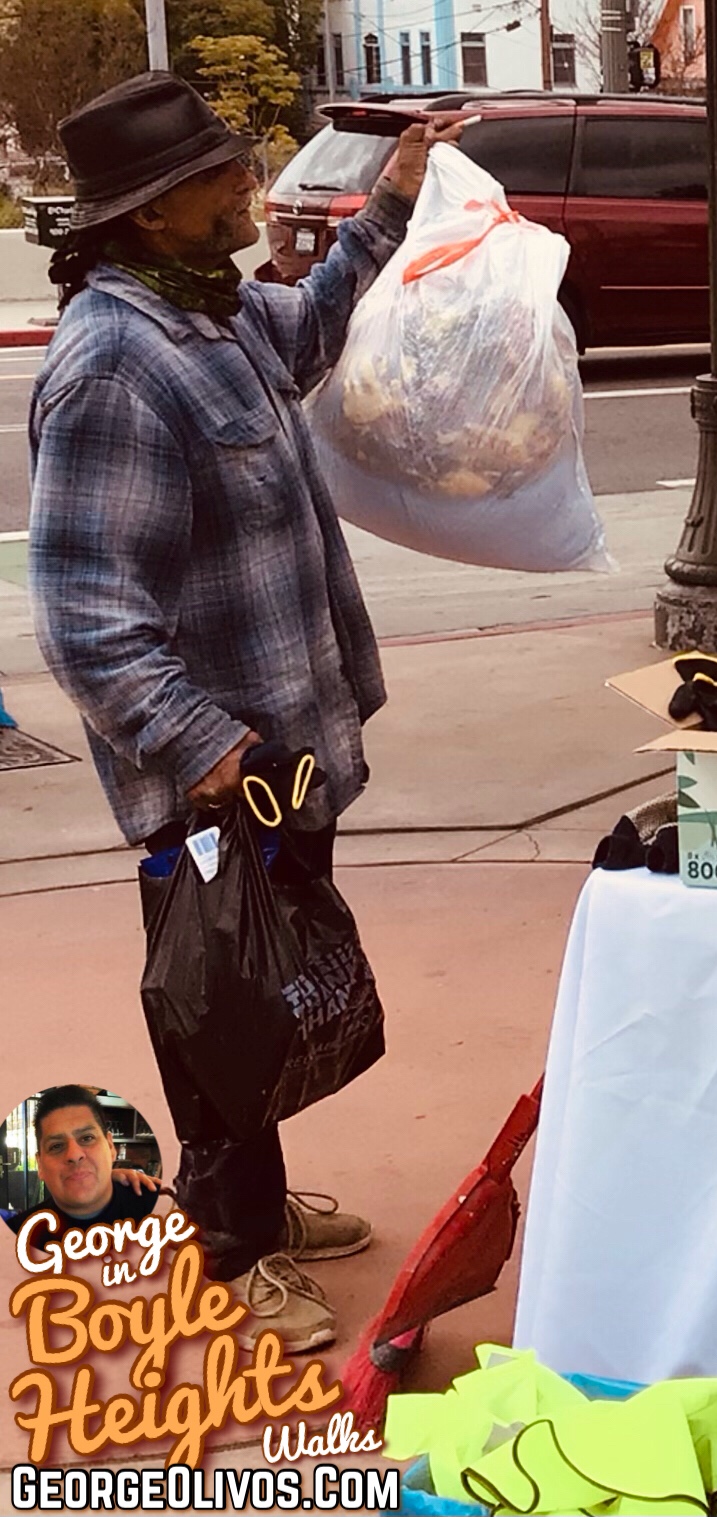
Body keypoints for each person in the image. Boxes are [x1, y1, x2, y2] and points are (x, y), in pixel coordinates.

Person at [27, 73, 465, 1352]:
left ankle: (258, 1204)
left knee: (266, 987)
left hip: (281, 751)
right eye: (221, 175)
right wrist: (207, 748)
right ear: (152, 214)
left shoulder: (208, 312)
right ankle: (231, 1242)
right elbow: (86, 614)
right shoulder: (115, 365)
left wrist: (391, 200)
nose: (250, 185)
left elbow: (313, 324)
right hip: (217, 767)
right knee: (215, 999)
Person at [3, 1086, 163, 1243]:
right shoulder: (16, 1238)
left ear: (110, 1147)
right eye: (56, 1146)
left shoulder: (165, 1209)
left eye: (87, 1138)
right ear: (40, 1165)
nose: (74, 1155)